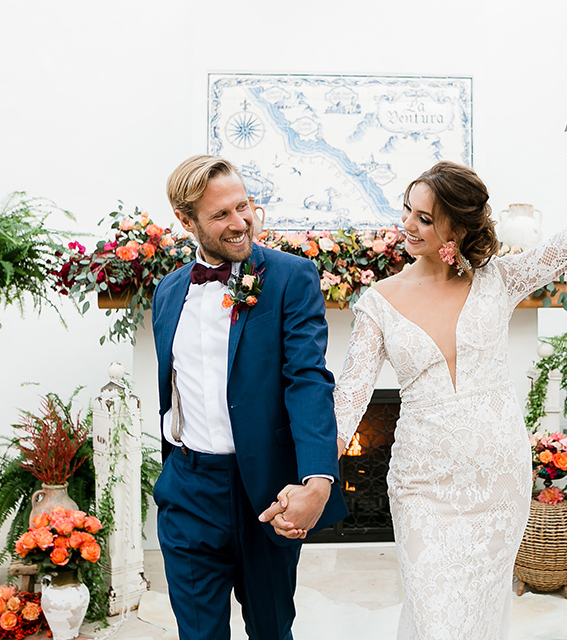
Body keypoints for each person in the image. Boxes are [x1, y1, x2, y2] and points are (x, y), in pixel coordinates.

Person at [261, 121, 567, 639]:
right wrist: (313, 479)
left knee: (478, 617)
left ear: (457, 230)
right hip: (424, 487)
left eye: (425, 218)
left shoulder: (500, 280)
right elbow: (348, 399)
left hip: (499, 480)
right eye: (407, 209)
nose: (408, 224)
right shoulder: (378, 302)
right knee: (436, 616)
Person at [151, 154, 349, 640]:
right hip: (188, 488)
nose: (241, 223)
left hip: (265, 493)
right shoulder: (167, 291)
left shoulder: (290, 278)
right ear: (185, 220)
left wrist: (317, 481)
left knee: (271, 630)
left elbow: (307, 379)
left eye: (245, 206)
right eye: (221, 215)